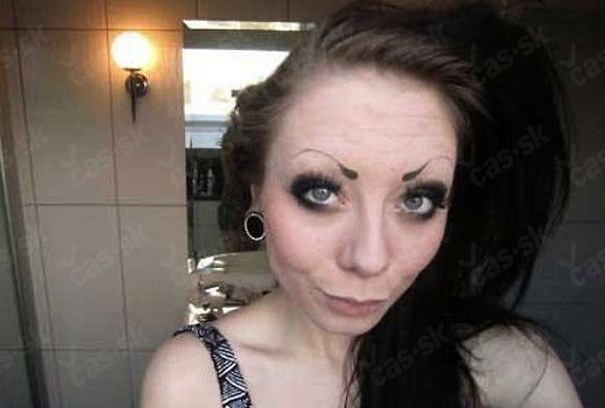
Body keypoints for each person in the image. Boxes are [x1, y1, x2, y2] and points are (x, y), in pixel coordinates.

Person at [140, 0, 584, 406]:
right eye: (321, 192)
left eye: (417, 200)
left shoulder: (508, 369)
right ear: (257, 188)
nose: (370, 259)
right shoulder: (195, 381)